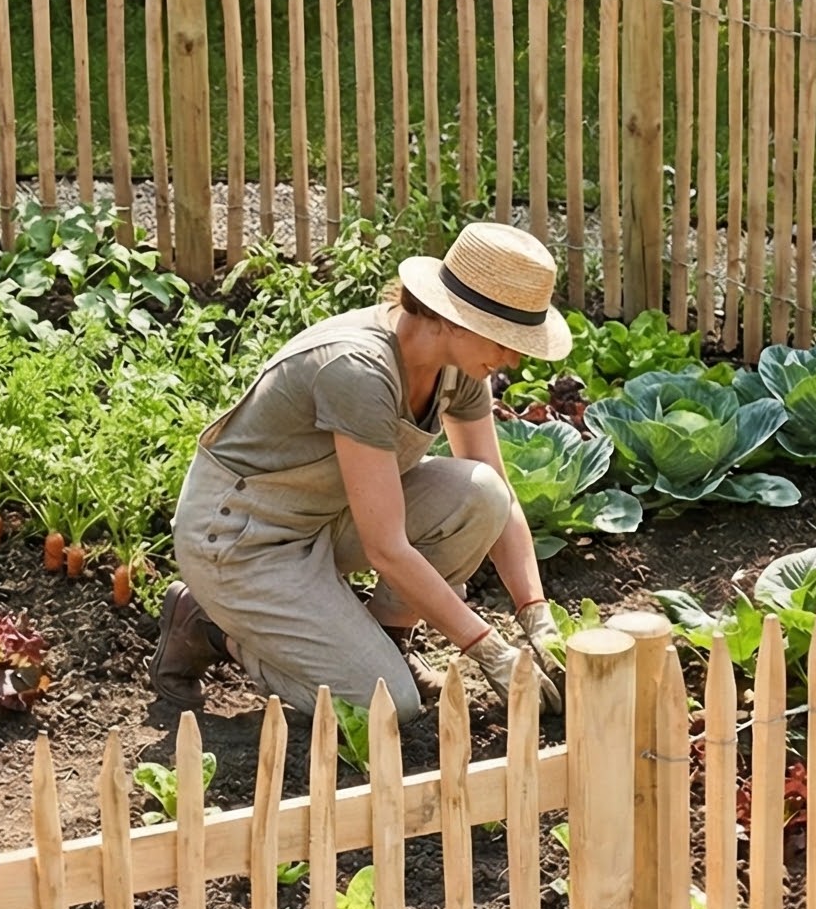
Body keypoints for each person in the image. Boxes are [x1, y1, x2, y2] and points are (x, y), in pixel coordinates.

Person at [152, 221, 571, 722]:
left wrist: (535, 614)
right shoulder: (358, 370)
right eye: (506, 339)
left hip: (322, 517)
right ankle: (208, 627)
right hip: (241, 538)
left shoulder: (459, 367)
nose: (516, 357)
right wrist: (487, 648)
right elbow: (386, 548)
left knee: (481, 496)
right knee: (385, 707)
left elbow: (496, 492)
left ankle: (387, 641)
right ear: (456, 318)